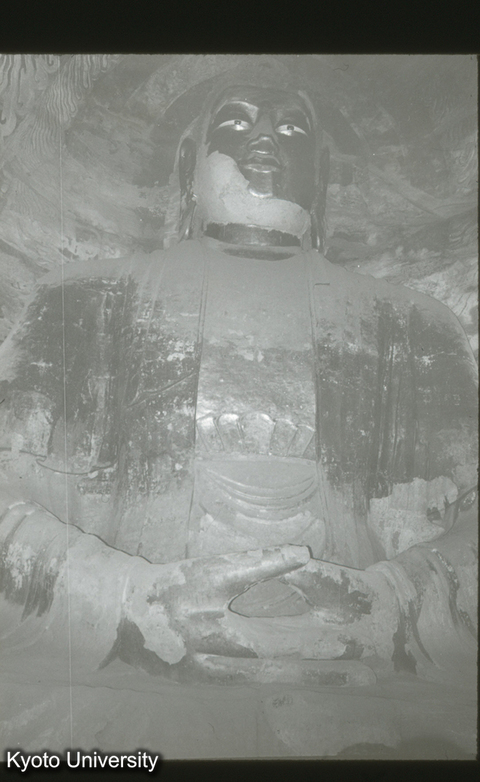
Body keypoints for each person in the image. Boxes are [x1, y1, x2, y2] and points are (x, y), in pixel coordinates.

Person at [0, 59, 477, 754]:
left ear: (322, 177)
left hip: (364, 678)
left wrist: (399, 607)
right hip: (124, 679)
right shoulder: (82, 300)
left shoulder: (411, 325)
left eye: (293, 130)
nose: (266, 138)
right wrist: (125, 604)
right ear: (187, 165)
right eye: (236, 120)